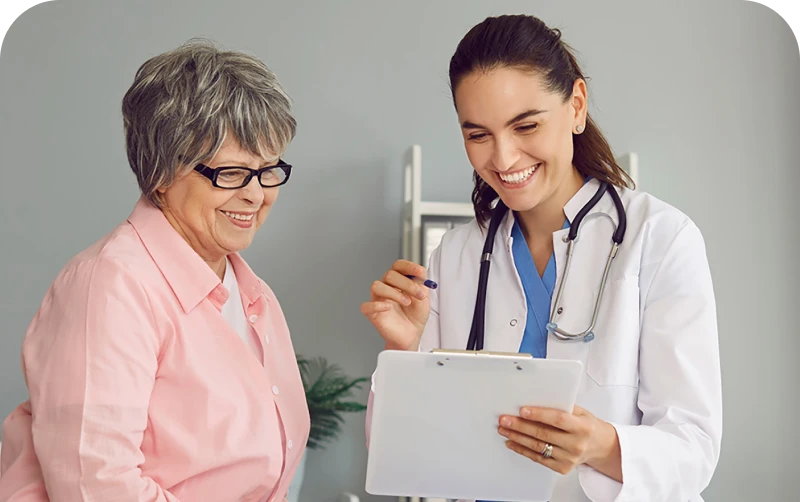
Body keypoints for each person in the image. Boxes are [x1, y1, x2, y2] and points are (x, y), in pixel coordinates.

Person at [362, 14, 721, 502]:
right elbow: (405, 457)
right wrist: (406, 355)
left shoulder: (660, 239)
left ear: (576, 106)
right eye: (478, 135)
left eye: (525, 125)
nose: (504, 158)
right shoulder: (458, 255)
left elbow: (693, 449)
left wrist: (602, 446)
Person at [0, 39, 309, 502]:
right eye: (231, 173)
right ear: (161, 172)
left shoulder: (253, 294)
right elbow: (96, 486)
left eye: (268, 170)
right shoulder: (109, 287)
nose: (256, 194)